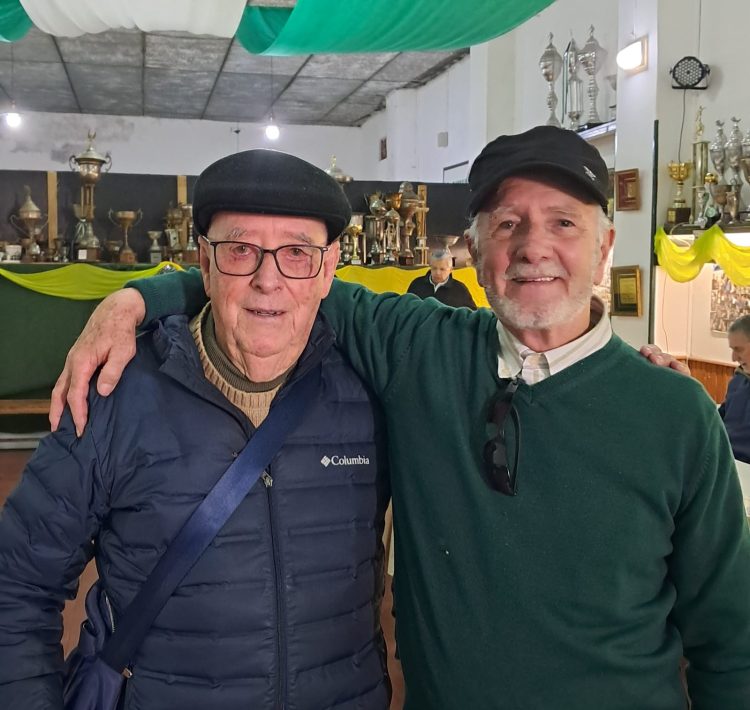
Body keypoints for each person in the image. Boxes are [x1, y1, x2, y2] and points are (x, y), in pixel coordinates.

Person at [50, 126, 750, 709]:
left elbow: (731, 639)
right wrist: (134, 300)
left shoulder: (675, 412)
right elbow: (272, 281)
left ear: (604, 249)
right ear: (475, 252)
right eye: (507, 224)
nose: (534, 247)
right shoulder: (420, 348)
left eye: (564, 223)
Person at [0, 150, 392, 710]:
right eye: (240, 250)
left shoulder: (370, 397)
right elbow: (16, 585)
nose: (268, 281)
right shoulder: (115, 394)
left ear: (329, 270)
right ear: (204, 265)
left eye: (297, 253)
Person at [720, 314, 750, 463]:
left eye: (739, 349)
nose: (733, 358)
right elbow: (719, 419)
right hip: (725, 460)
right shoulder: (738, 380)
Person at [406, 248, 476, 308]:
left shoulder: (460, 289)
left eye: (442, 269)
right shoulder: (416, 284)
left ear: (451, 270)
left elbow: (471, 314)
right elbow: (406, 308)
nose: (437, 273)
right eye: (434, 268)